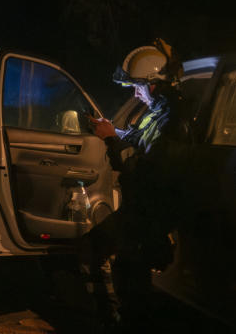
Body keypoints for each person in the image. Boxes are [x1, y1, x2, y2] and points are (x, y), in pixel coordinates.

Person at [81, 39, 189, 329]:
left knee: (120, 266)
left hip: (150, 213)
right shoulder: (160, 112)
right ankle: (119, 318)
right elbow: (137, 142)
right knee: (122, 267)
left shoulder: (172, 121)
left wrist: (111, 139)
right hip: (143, 209)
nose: (136, 95)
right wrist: (111, 129)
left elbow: (140, 166)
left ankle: (114, 321)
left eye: (137, 88)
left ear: (153, 84)